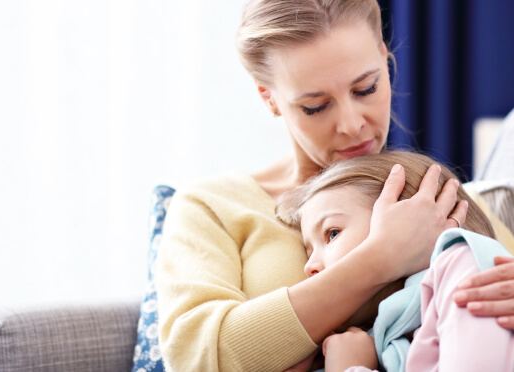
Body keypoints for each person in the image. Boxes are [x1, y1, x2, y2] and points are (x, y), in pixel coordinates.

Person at [155, 0, 514, 371]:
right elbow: (195, 358)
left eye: (366, 88)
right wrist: (379, 260)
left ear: (383, 57)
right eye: (315, 106)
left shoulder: (442, 201)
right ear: (270, 97)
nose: (351, 124)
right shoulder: (215, 207)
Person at [276, 150, 514, 372]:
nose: (309, 267)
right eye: (308, 253)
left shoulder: (465, 268)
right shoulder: (372, 337)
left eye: (332, 233)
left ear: (417, 219)